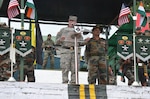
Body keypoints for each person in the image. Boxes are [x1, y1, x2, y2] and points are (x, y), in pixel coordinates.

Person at [56, 15, 89, 84]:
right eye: (70, 21)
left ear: (76, 22)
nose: (72, 22)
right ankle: (65, 81)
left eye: (73, 21)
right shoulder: (63, 30)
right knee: (65, 67)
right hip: (66, 50)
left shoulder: (78, 31)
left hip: (75, 51)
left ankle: (74, 81)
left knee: (75, 67)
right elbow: (56, 42)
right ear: (68, 21)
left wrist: (85, 42)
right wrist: (60, 40)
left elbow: (80, 42)